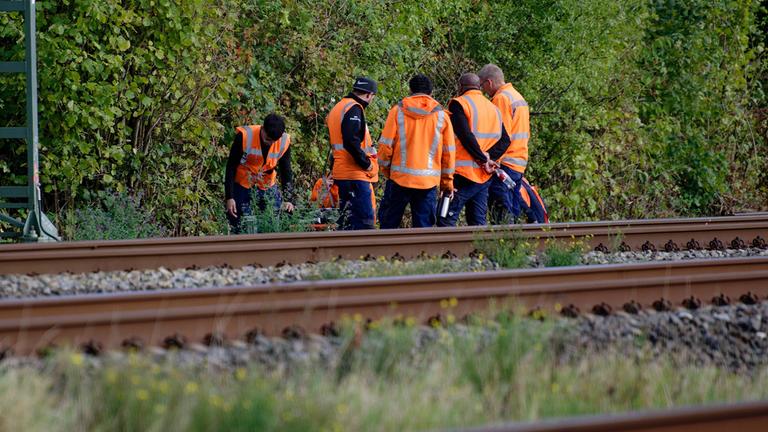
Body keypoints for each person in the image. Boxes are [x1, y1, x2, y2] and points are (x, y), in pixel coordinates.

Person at [377, 74, 456, 228]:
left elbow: (386, 146)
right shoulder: (442, 116)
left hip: (399, 179)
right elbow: (449, 154)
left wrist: (387, 171)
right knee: (423, 231)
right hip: (427, 183)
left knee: (388, 226)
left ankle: (385, 252)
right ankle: (422, 253)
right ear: (431, 92)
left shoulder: (397, 111)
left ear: (410, 90)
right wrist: (447, 183)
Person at [437, 73, 511, 227]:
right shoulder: (493, 108)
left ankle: (444, 250)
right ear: (479, 87)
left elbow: (466, 136)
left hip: (463, 174)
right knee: (477, 223)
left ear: (460, 87)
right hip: (484, 176)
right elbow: (505, 141)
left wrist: (483, 159)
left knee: (445, 218)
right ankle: (478, 251)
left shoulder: (459, 103)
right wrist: (488, 158)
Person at [224, 113, 294, 233]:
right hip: (242, 184)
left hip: (267, 185)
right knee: (238, 222)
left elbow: (286, 171)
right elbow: (231, 166)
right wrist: (229, 197)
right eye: (267, 139)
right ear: (262, 128)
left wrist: (289, 199)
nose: (270, 143)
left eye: (273, 141)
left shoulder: (284, 141)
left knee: (271, 222)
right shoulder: (245, 136)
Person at [479, 63, 530, 224]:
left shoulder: (501, 99)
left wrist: (492, 160)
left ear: (489, 82)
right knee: (513, 210)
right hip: (518, 162)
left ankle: (502, 243)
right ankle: (513, 245)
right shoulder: (517, 96)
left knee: (501, 211)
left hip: (505, 163)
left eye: (482, 86)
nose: (483, 91)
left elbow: (501, 135)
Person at [326, 77, 379, 230]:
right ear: (369, 95)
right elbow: (351, 142)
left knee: (347, 224)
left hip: (342, 173)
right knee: (364, 224)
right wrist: (367, 164)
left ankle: (345, 254)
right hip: (355, 174)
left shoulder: (339, 107)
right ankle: (364, 254)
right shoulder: (354, 108)